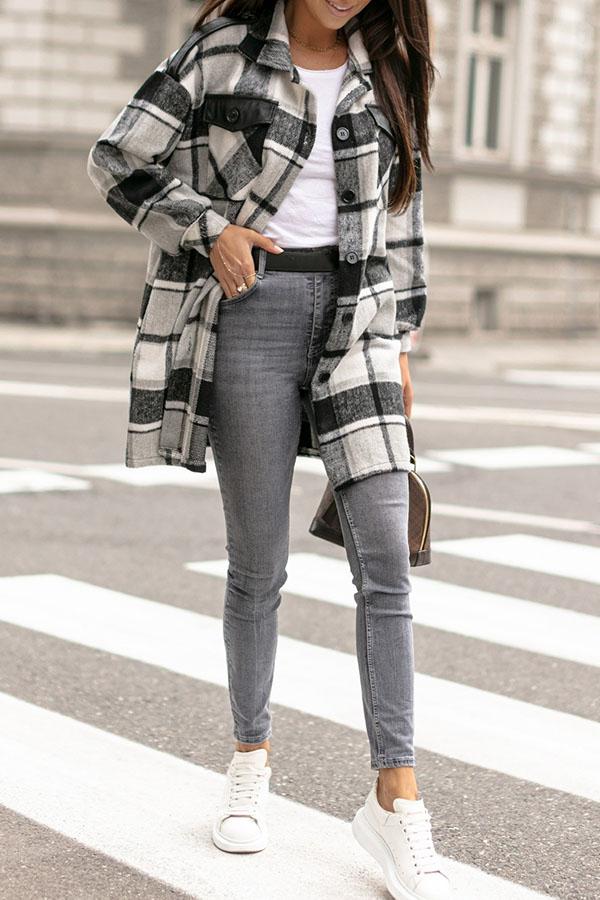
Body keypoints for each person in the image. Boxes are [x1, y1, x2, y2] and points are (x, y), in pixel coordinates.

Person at [87, 0, 451, 896]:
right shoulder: (223, 53)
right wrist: (210, 230)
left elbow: (401, 215)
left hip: (359, 325)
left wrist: (402, 346)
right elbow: (118, 157)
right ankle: (250, 761)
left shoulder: (388, 66)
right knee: (258, 564)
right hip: (251, 310)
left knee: (386, 562)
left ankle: (395, 798)